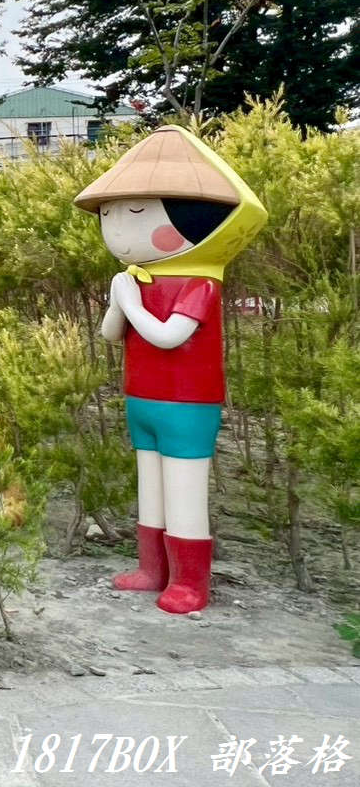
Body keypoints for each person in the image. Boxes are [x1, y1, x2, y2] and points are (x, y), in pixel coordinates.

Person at [75, 125, 267, 614]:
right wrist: (120, 301)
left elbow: (167, 336)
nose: (118, 230)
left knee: (184, 490)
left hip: (188, 401)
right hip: (142, 396)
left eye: (138, 214)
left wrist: (128, 301)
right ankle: (152, 569)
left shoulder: (199, 285)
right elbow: (111, 333)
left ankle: (189, 581)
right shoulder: (136, 280)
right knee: (152, 487)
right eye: (110, 215)